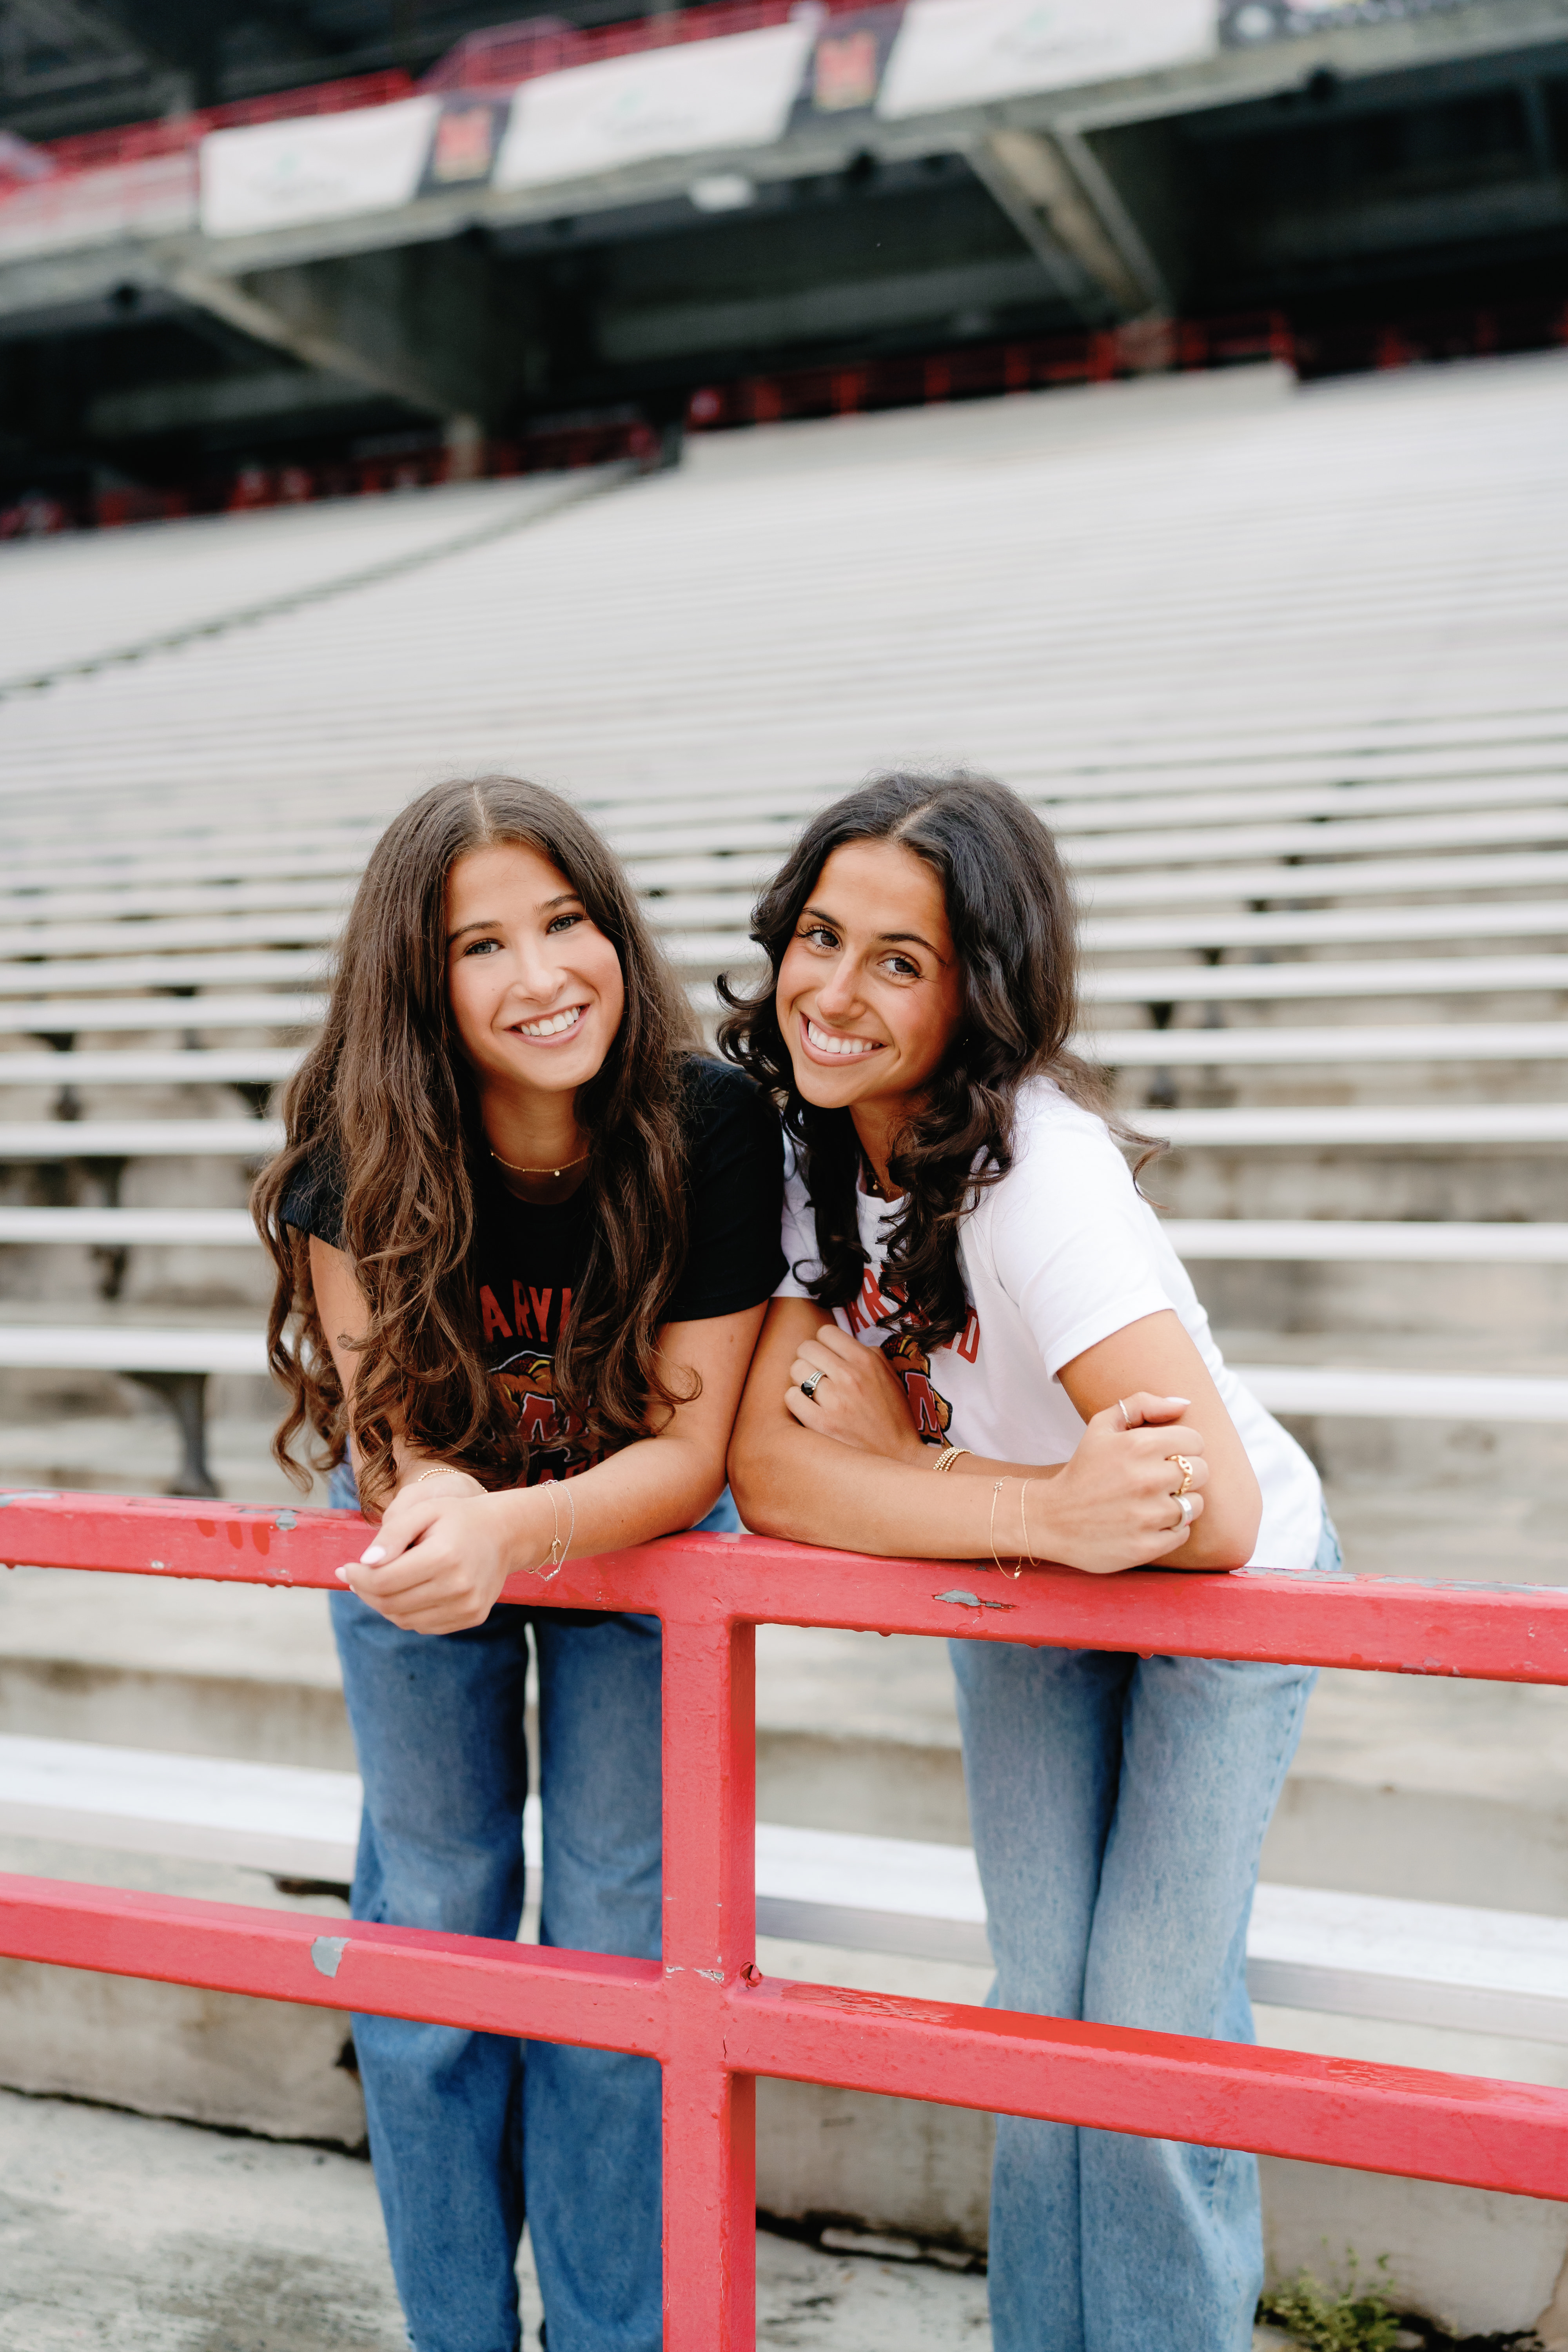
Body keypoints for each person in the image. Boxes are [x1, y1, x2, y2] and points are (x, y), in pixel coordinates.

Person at [723, 770, 1334, 2352]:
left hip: (1218, 1596)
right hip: (1023, 1560)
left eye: (898, 961)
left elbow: (1204, 1512)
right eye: (818, 936)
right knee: (1036, 2004)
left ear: (977, 991)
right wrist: (1033, 1508)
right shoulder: (808, 1151)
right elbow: (775, 1470)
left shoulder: (1036, 1181)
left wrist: (938, 1475)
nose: (833, 992)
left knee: (1138, 2024)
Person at [253, 775, 784, 2352]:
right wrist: (447, 1517)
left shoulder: (707, 1125)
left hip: (646, 1544)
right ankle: (458, 2334)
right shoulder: (357, 1148)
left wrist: (511, 1524)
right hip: (429, 1543)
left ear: (615, 929)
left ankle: (616, 2336)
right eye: (481, 945)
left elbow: (689, 1457)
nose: (539, 976)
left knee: (621, 1962)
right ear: (421, 985)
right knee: (430, 1937)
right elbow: (388, 1425)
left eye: (565, 923)